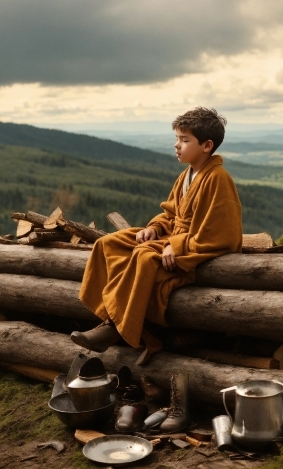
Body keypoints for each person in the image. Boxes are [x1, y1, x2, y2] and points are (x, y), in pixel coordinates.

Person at [71, 107, 243, 365]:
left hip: (196, 249)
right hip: (175, 239)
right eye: (177, 139)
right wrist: (155, 228)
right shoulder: (187, 175)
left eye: (185, 141)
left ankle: (113, 327)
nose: (177, 145)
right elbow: (171, 213)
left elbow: (223, 236)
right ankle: (113, 317)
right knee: (108, 243)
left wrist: (175, 244)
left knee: (143, 255)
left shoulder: (218, 179)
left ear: (207, 145)